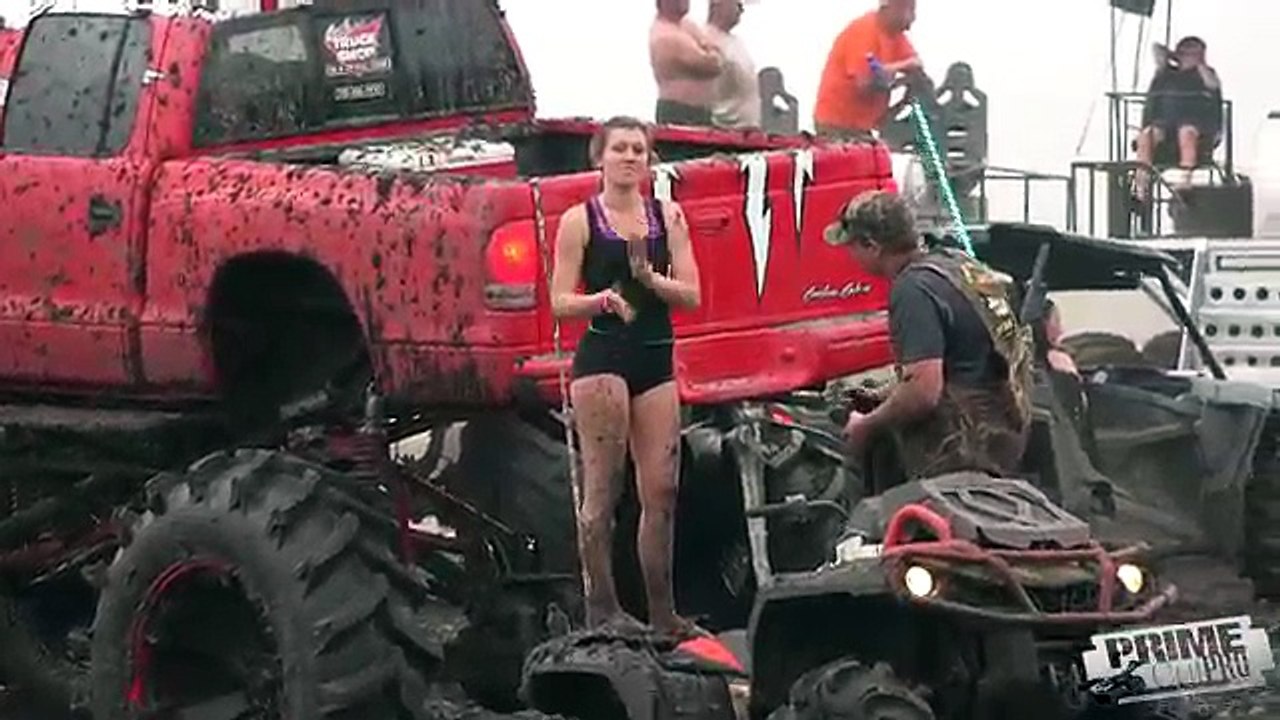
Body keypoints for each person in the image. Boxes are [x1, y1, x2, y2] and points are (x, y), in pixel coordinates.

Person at [549, 116, 703, 636]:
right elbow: (558, 302)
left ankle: (663, 612)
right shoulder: (580, 220)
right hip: (602, 361)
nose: (630, 157)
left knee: (660, 490)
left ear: (649, 161)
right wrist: (602, 299)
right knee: (604, 490)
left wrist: (648, 280)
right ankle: (603, 606)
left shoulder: (668, 215)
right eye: (620, 149)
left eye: (639, 149)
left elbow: (693, 295)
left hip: (656, 358)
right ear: (600, 157)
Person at [823, 190, 1033, 480]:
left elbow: (924, 392)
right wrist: (881, 396)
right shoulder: (956, 265)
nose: (850, 255)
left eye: (852, 246)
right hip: (1005, 431)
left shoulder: (912, 289)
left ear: (872, 246)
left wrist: (866, 425)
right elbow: (965, 362)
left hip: (963, 449)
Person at [813, 0, 923, 139]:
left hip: (862, 127)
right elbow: (864, 84)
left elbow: (916, 63)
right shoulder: (864, 31)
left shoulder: (895, 35)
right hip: (836, 124)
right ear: (889, 8)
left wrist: (891, 69)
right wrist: (891, 79)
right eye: (907, 9)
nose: (912, 18)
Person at [1133, 36, 1223, 201]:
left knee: (1186, 133)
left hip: (1197, 124)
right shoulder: (1166, 75)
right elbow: (1156, 48)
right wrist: (1170, 57)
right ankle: (1141, 182)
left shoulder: (1205, 75)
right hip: (1165, 124)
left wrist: (1199, 65)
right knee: (1147, 134)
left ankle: (1185, 180)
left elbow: (1213, 85)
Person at [650, 0, 724, 126]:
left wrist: (712, 51)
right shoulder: (665, 35)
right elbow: (712, 65)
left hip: (702, 112)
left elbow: (719, 54)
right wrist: (709, 50)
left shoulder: (687, 25)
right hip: (679, 111)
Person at [706, 0, 761, 130]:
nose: (741, 10)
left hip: (747, 133)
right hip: (721, 131)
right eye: (738, 4)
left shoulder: (737, 42)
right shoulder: (705, 38)